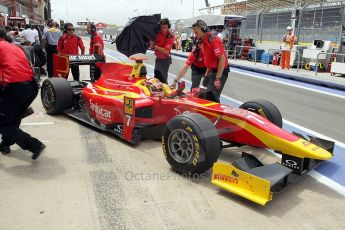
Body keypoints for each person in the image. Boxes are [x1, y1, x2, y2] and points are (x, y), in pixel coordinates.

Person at [0, 28, 45, 159]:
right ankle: (5, 144)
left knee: (2, 122)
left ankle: (34, 145)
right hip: (32, 86)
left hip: (16, 87)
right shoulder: (15, 47)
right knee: (12, 118)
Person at [192, 20, 229, 103]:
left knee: (211, 96)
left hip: (220, 71)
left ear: (204, 29)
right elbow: (209, 58)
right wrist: (207, 73)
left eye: (196, 32)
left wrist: (218, 78)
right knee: (205, 94)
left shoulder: (213, 39)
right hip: (212, 71)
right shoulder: (202, 40)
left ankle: (215, 115)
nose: (195, 34)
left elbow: (222, 59)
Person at [150, 18, 174, 84]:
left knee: (163, 80)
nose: (163, 29)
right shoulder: (158, 33)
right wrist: (151, 43)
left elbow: (166, 51)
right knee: (156, 79)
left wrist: (155, 46)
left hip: (164, 60)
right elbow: (152, 45)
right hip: (158, 59)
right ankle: (157, 93)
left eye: (165, 27)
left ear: (168, 27)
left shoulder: (170, 36)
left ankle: (165, 93)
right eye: (162, 27)